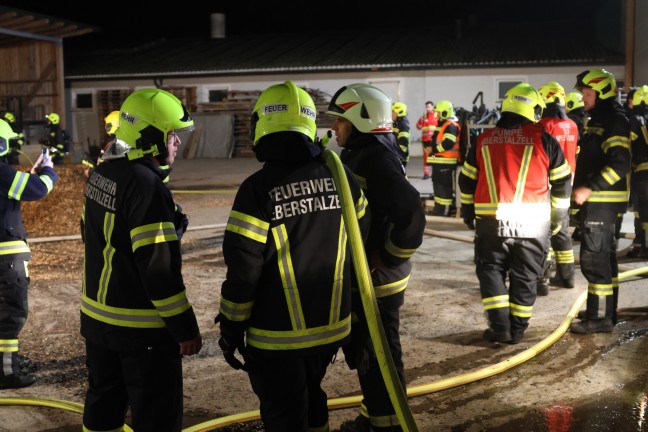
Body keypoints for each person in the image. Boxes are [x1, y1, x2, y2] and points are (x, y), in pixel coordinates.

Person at [215, 80, 370, 431]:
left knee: (285, 414)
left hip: (276, 338)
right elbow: (361, 241)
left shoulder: (257, 189)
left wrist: (231, 326)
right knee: (312, 398)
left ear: (261, 126)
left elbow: (244, 269)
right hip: (332, 331)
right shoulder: (340, 175)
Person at [81, 88, 202, 432]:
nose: (177, 142)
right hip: (141, 331)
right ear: (150, 137)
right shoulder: (147, 187)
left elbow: (91, 234)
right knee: (156, 417)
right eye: (172, 135)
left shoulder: (104, 172)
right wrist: (185, 329)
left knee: (103, 409)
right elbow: (158, 271)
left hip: (97, 322)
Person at [326, 83, 426, 432]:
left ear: (359, 119)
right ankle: (377, 416)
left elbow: (412, 209)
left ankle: (386, 425)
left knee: (378, 353)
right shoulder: (366, 150)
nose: (334, 128)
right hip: (372, 273)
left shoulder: (373, 157)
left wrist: (387, 254)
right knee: (372, 351)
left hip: (379, 278)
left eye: (339, 120)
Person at [459, 82, 572, 344]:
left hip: (491, 221)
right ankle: (517, 329)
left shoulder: (483, 140)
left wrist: (468, 214)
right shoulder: (545, 141)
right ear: (533, 110)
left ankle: (500, 328)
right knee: (526, 275)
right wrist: (557, 220)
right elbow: (562, 184)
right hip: (534, 224)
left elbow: (466, 182)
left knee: (490, 270)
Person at [569, 69, 631, 334]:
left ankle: (599, 319)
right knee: (605, 258)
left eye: (587, 93)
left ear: (602, 93)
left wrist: (589, 189)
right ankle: (605, 309)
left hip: (602, 201)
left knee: (594, 261)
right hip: (602, 201)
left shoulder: (613, 121)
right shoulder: (601, 119)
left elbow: (620, 163)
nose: (583, 98)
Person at [0, 119, 58, 389]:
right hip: (6, 258)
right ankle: (7, 371)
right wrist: (48, 171)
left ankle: (5, 361)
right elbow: (38, 189)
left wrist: (30, 174)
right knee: (12, 313)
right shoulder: (1, 173)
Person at [536, 81, 579, 294]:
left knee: (544, 230)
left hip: (548, 182)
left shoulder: (544, 124)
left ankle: (543, 277)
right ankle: (568, 276)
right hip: (567, 182)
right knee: (562, 230)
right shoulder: (572, 124)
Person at [624, 85, 648, 259]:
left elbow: (628, 146)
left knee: (641, 211)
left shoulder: (636, 119)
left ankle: (641, 246)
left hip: (642, 172)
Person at [428, 100, 461, 217]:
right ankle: (439, 210)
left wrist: (435, 150)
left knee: (443, 188)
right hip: (440, 162)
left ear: (445, 113)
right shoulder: (443, 124)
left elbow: (448, 142)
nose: (436, 115)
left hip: (445, 162)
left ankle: (444, 211)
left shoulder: (450, 125)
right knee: (438, 187)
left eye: (438, 113)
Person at [565, 91, 587, 241]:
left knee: (571, 200)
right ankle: (579, 228)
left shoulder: (569, 121)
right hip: (584, 163)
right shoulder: (587, 119)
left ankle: (572, 228)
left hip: (572, 163)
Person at [416, 101, 438, 179]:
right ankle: (426, 173)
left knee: (434, 156)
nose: (427, 108)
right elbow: (418, 127)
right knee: (426, 157)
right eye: (426, 107)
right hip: (425, 140)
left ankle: (434, 173)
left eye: (429, 106)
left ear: (432, 107)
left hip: (433, 140)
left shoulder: (437, 116)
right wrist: (421, 120)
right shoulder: (424, 116)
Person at [392, 102, 411, 169]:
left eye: (393, 112)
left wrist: (397, 155)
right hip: (398, 156)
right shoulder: (397, 123)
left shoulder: (403, 124)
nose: (391, 114)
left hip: (400, 157)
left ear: (399, 112)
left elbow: (403, 141)